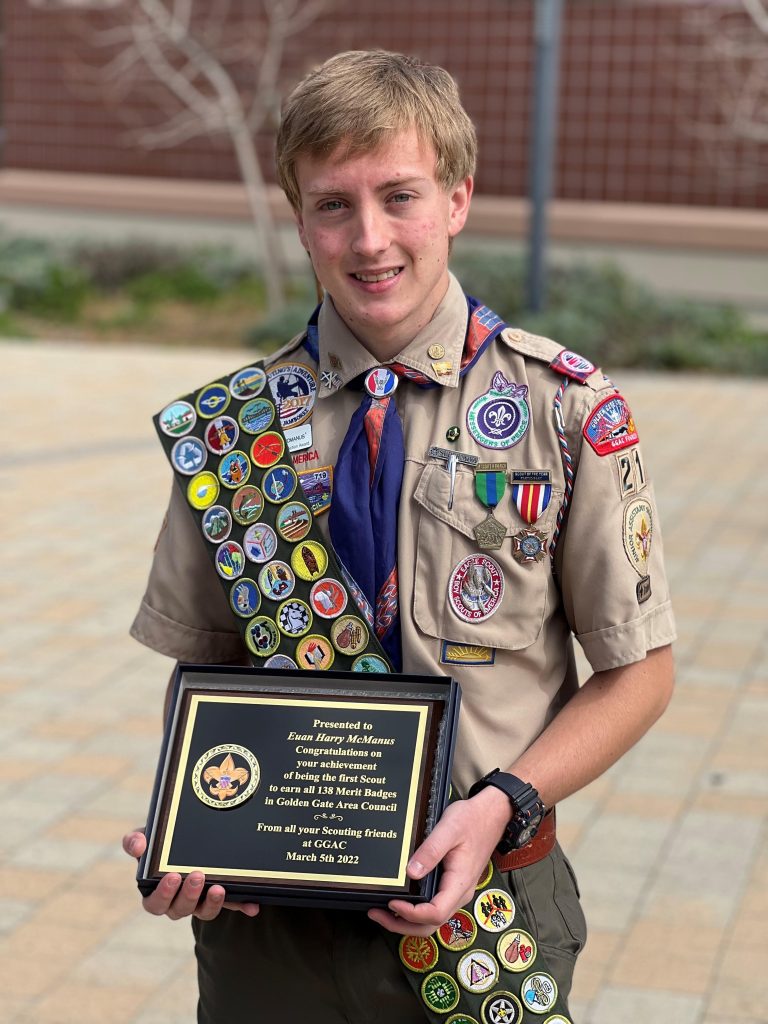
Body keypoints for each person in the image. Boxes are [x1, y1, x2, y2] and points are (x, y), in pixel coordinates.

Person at [124, 49, 675, 1022]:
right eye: (333, 204)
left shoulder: (565, 411)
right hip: (271, 939)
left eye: (401, 196)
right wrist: (196, 824)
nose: (369, 237)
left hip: (485, 915)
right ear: (300, 219)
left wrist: (501, 800)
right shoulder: (233, 428)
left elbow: (641, 672)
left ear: (458, 199)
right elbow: (204, 666)